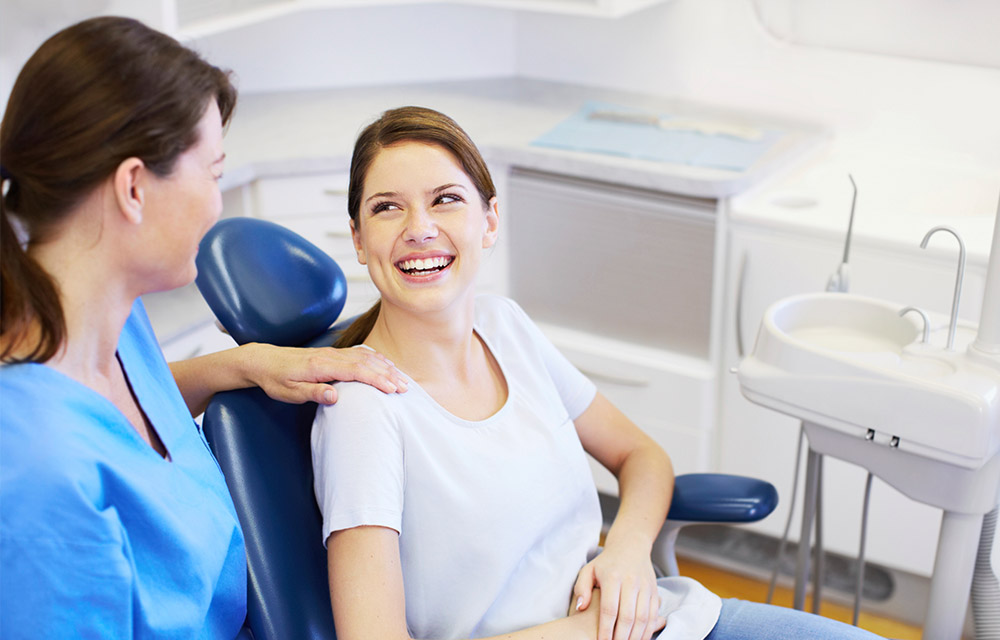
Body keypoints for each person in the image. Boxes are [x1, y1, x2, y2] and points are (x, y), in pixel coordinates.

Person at [312, 106, 887, 640]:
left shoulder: (504, 326)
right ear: (360, 241)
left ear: (489, 220)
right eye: (387, 207)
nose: (419, 227)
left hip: (659, 617)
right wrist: (589, 629)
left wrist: (629, 551)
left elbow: (642, 455)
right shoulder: (364, 411)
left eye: (445, 199)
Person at [0, 16, 407, 639]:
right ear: (134, 187)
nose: (219, 204)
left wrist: (246, 364)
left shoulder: (106, 317)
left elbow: (123, 411)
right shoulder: (41, 478)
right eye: (213, 173)